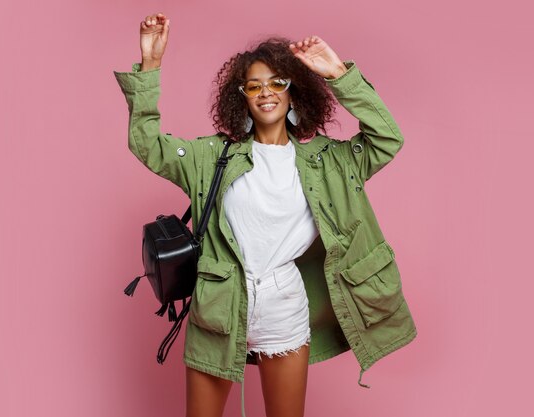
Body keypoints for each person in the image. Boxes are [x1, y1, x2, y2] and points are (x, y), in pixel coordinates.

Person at [114, 12, 417, 417]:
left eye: (277, 83)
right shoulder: (211, 157)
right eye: (254, 85)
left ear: (295, 93)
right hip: (219, 306)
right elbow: (147, 144)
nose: (266, 92)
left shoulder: (328, 162)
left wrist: (339, 73)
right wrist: (150, 64)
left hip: (285, 307)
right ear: (242, 96)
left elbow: (387, 138)